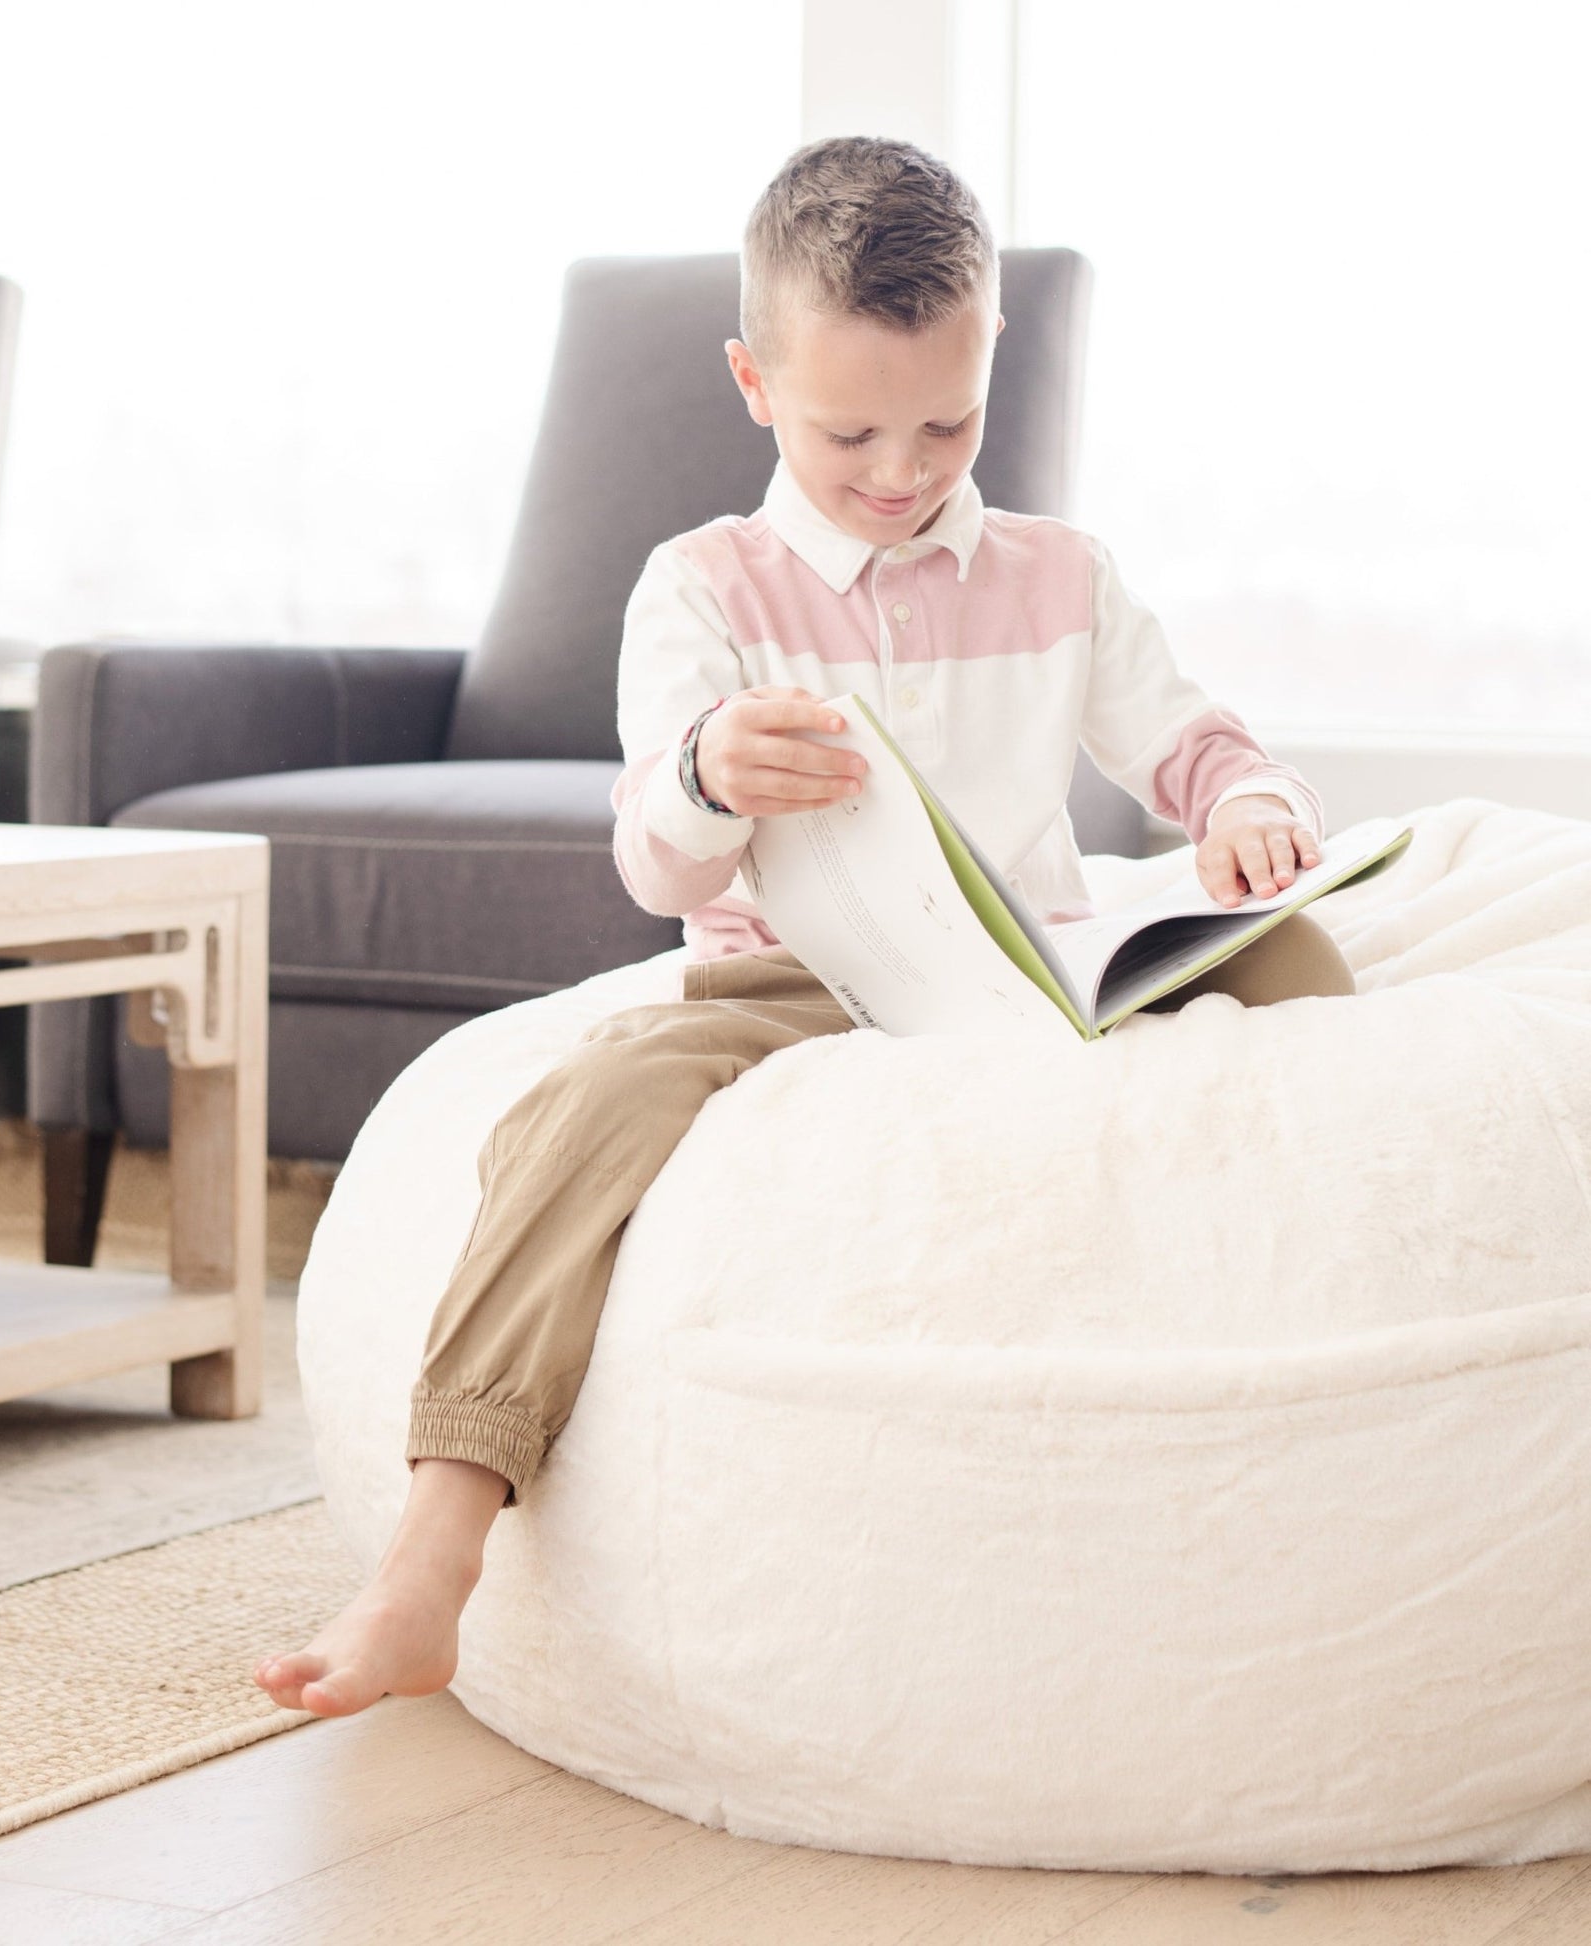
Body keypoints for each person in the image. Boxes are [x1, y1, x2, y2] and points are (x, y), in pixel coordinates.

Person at [254, 135, 1355, 1718]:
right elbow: (649, 855)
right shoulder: (704, 588)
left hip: (1036, 974)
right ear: (753, 383)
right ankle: (433, 1552)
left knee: (1301, 967)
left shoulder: (1060, 575)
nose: (904, 473)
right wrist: (710, 774)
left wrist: (1248, 807)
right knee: (585, 1103)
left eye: (947, 422)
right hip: (798, 979)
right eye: (851, 432)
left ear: (991, 360)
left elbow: (1191, 743)